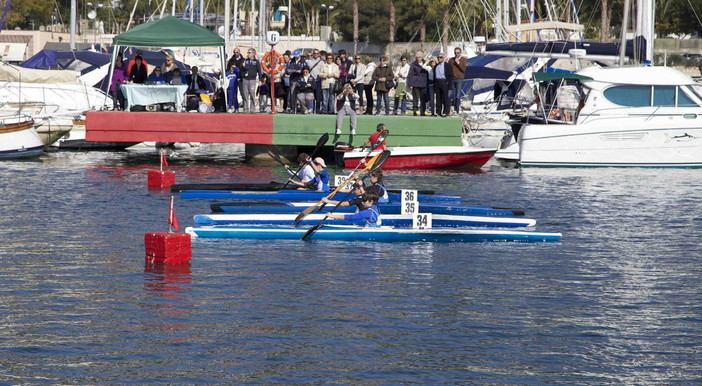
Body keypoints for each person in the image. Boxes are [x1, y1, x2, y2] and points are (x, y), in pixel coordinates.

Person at [407, 52, 429, 116]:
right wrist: (410, 84)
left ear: (422, 57)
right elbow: (410, 75)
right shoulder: (413, 65)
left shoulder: (426, 63)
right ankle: (415, 110)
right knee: (415, 98)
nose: (418, 58)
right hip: (415, 83)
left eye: (419, 57)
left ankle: (422, 111)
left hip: (424, 83)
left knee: (423, 98)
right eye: (417, 57)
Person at [432, 53, 453, 117]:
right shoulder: (436, 66)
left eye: (441, 57)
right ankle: (438, 111)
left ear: (443, 58)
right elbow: (434, 76)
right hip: (437, 82)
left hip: (444, 81)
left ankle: (446, 111)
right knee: (438, 98)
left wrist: (447, 82)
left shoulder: (447, 65)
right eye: (438, 57)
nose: (439, 58)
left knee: (445, 97)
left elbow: (450, 75)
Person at [448, 47, 468, 115]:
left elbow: (464, 70)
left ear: (460, 53)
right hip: (452, 79)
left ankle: (457, 110)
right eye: (455, 53)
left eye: (458, 53)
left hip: (459, 79)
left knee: (457, 95)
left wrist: (458, 63)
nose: (456, 54)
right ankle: (448, 109)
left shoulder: (463, 60)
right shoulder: (451, 60)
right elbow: (448, 69)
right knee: (449, 94)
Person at [241, 49, 261, 113]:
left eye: (249, 53)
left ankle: (252, 109)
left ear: (253, 54)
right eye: (248, 52)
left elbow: (259, 71)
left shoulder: (256, 62)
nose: (248, 54)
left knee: (252, 93)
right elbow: (242, 70)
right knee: (245, 94)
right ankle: (245, 109)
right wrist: (243, 67)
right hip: (245, 79)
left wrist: (260, 80)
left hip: (252, 79)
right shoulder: (245, 61)